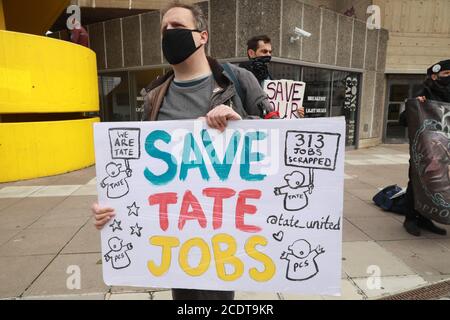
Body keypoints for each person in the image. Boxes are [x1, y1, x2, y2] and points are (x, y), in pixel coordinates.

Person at [91, 2, 280, 301]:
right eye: (164, 29)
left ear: (202, 36)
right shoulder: (154, 96)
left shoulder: (239, 80)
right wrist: (115, 207)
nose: (169, 33)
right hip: (177, 237)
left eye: (177, 27)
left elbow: (278, 138)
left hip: (228, 227)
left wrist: (243, 126)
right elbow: (143, 172)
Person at [401, 59, 450, 237]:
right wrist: (415, 107)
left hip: (445, 152)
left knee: (441, 185)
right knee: (417, 182)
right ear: (434, 76)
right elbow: (403, 119)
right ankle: (411, 219)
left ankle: (426, 217)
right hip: (425, 151)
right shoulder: (423, 92)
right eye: (446, 75)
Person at [239, 35, 305, 118]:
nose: (268, 55)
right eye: (264, 51)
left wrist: (295, 112)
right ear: (251, 53)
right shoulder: (240, 78)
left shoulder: (269, 78)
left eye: (270, 52)